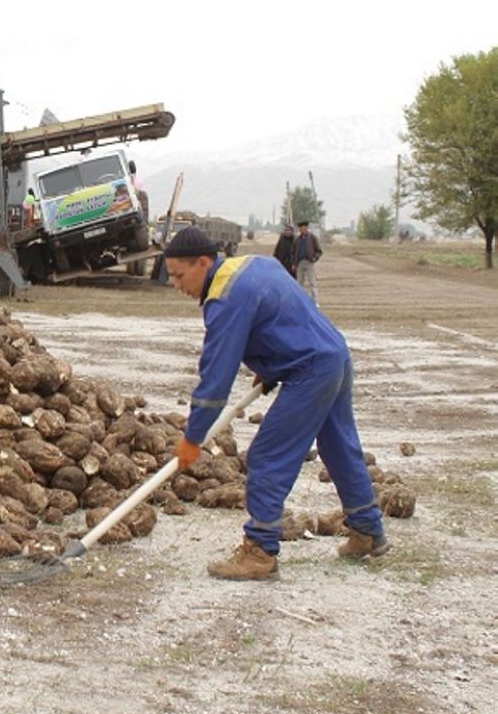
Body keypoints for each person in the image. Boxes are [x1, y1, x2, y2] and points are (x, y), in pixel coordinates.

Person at [163, 226, 388, 581]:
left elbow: (215, 379)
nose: (175, 285)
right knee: (340, 447)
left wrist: (193, 437)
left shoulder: (224, 298)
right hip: (334, 355)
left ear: (203, 263)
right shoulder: (252, 265)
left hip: (311, 370)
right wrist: (272, 365)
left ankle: (260, 551)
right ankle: (367, 531)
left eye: (178, 275)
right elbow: (283, 313)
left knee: (268, 456)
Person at [293, 221, 323, 304]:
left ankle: (315, 301)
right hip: (299, 263)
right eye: (300, 228)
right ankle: (301, 301)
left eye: (303, 227)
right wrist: (294, 263)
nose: (301, 229)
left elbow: (319, 251)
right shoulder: (297, 239)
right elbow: (293, 252)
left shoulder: (312, 237)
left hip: (309, 262)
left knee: (312, 282)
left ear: (306, 228)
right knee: (299, 283)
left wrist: (314, 258)